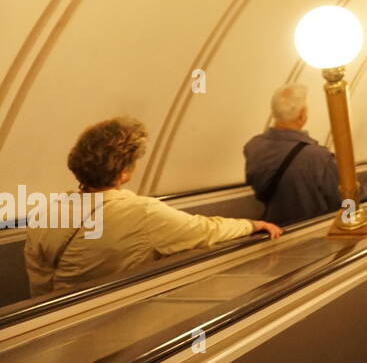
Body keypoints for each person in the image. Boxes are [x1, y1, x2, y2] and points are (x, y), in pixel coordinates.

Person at [27, 117, 283, 295]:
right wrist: (252, 224)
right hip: (98, 325)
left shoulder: (46, 211)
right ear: (125, 172)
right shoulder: (141, 213)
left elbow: (39, 275)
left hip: (43, 325)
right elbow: (205, 230)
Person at [246, 85, 367, 225]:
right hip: (312, 228)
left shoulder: (253, 146)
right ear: (302, 115)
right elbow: (344, 194)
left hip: (273, 228)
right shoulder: (317, 156)